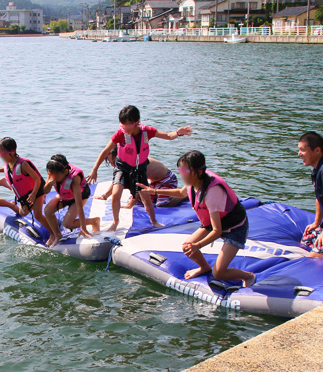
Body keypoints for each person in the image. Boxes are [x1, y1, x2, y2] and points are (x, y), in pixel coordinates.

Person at [139, 150, 256, 286]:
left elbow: (217, 231)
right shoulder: (194, 181)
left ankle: (248, 276)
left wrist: (198, 245)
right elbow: (181, 192)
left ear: (198, 172)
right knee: (187, 247)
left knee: (219, 273)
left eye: (185, 171)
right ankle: (204, 267)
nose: (181, 173)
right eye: (180, 169)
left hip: (234, 227)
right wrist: (154, 191)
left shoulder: (212, 192)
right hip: (212, 223)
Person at [86, 105, 192, 231]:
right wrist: (94, 169)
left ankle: (154, 221)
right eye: (122, 125)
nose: (124, 128)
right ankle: (115, 222)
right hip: (122, 168)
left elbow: (168, 136)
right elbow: (105, 151)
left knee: (146, 198)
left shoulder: (147, 131)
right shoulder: (120, 134)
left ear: (136, 123)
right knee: (116, 194)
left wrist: (178, 133)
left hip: (139, 169)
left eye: (127, 125)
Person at [0, 137, 52, 234]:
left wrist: (33, 193)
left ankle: (55, 234)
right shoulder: (9, 162)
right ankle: (10, 204)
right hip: (25, 197)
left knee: (38, 216)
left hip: (36, 192)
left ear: (11, 152)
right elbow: (11, 169)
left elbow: (37, 178)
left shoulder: (23, 164)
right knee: (22, 213)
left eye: (1, 153)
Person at [94, 147, 186, 208]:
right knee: (138, 201)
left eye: (114, 161)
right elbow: (116, 182)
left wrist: (133, 201)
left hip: (167, 179)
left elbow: (138, 185)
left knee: (161, 204)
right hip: (153, 182)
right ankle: (167, 193)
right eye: (111, 163)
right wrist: (104, 196)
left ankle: (185, 194)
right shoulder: (123, 166)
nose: (114, 165)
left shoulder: (134, 164)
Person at [43, 154, 101, 248]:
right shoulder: (53, 171)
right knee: (47, 211)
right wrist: (49, 185)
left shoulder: (74, 178)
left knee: (67, 224)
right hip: (64, 195)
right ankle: (57, 235)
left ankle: (94, 221)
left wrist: (83, 227)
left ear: (65, 171)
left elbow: (78, 204)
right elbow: (45, 191)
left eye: (55, 175)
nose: (53, 177)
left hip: (80, 197)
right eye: (50, 174)